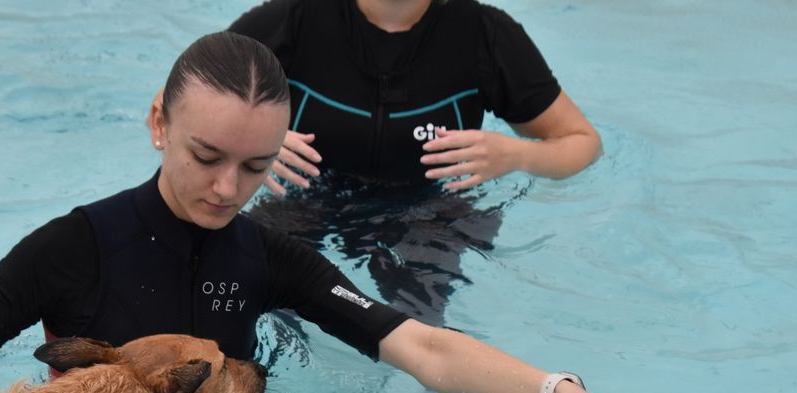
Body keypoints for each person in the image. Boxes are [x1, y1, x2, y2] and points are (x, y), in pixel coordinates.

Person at [0, 31, 638, 393]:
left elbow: (426, 351)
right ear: (158, 123)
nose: (224, 189)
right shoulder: (69, 248)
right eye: (205, 155)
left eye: (254, 167)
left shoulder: (269, 258)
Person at [226, 0, 602, 323]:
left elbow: (582, 142)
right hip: (305, 197)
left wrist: (516, 154)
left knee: (420, 328)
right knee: (249, 305)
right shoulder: (296, 19)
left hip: (429, 211)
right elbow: (177, 106)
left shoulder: (485, 36)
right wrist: (257, 143)